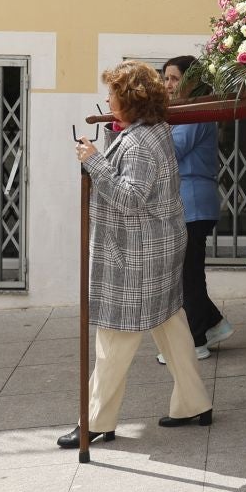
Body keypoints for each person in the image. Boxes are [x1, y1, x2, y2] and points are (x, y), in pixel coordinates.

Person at [63, 61, 213, 446]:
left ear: (129, 99)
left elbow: (130, 198)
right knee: (170, 324)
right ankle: (193, 402)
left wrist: (94, 161)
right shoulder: (154, 131)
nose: (108, 99)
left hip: (135, 252)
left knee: (115, 336)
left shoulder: (140, 142)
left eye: (112, 93)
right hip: (156, 244)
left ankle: (97, 421)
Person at [160, 57, 231, 364]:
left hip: (193, 202)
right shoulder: (182, 113)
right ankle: (213, 324)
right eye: (165, 79)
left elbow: (172, 151)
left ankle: (195, 340)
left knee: (186, 274)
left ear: (190, 81)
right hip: (189, 202)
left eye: (173, 79)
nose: (167, 85)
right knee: (186, 273)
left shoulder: (194, 113)